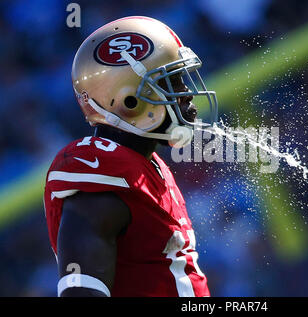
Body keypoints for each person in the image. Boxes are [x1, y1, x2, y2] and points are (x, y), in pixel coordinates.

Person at [43, 16, 218, 297]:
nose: (186, 93)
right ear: (129, 100)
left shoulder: (148, 166)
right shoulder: (101, 173)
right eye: (172, 82)